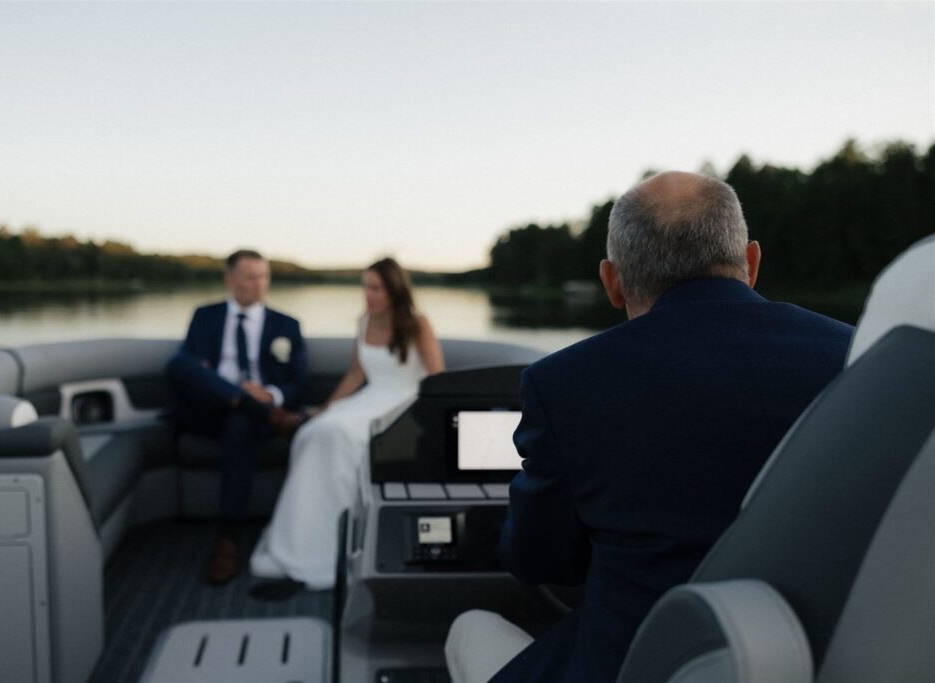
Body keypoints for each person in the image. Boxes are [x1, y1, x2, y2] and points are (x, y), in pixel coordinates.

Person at [445, 172, 853, 683]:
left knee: (469, 629)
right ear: (751, 263)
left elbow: (540, 560)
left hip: (632, 666)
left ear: (612, 282)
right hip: (813, 662)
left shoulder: (565, 384)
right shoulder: (857, 355)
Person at [249, 257, 444, 598]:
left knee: (335, 435)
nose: (367, 295)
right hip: (369, 397)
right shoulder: (365, 321)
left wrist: (423, 421)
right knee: (312, 431)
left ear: (394, 290)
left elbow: (435, 379)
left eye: (375, 288)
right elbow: (356, 374)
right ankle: (299, 540)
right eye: (365, 287)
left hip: (404, 403)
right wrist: (326, 408)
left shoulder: (417, 324)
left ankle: (328, 553)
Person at [165, 249, 308, 585]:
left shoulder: (286, 325)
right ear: (230, 280)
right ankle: (253, 407)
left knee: (240, 423)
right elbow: (192, 369)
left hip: (249, 420)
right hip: (208, 410)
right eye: (250, 277)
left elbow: (299, 381)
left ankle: (228, 540)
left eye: (264, 277)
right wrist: (239, 395)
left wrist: (270, 395)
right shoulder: (205, 316)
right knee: (177, 363)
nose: (259, 284)